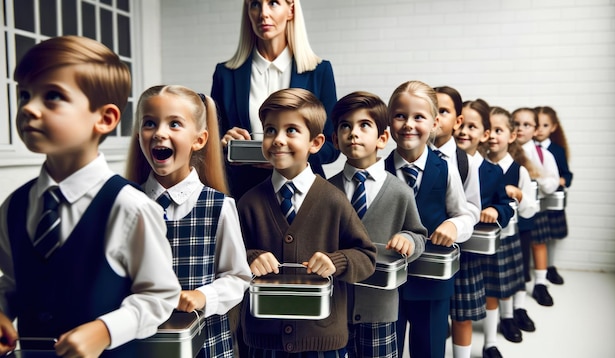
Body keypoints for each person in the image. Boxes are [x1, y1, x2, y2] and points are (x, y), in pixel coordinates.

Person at [0, 36, 181, 357]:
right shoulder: (13, 207)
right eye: (24, 94)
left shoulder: (131, 207)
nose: (28, 107)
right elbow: (14, 282)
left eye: (52, 96)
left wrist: (106, 329)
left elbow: (160, 296)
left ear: (105, 118)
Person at [237, 88, 376, 357]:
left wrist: (337, 261)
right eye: (270, 130)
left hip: (322, 341)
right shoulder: (248, 203)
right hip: (263, 342)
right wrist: (250, 257)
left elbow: (366, 256)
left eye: (291, 130)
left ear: (316, 142)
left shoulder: (334, 200)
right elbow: (227, 260)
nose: (278, 140)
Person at [125, 85, 252, 357]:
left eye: (174, 124)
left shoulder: (220, 207)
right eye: (150, 123)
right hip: (141, 345)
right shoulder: (124, 204)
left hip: (206, 345)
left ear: (199, 139)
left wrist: (204, 296)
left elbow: (238, 277)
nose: (159, 132)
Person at [327, 91, 428, 358]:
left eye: (364, 125)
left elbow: (419, 235)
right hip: (333, 307)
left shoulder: (399, 192)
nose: (353, 133)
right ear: (335, 139)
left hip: (380, 308)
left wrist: (409, 238)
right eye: (345, 126)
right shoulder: (325, 191)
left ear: (382, 138)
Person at [211, 0, 339, 200]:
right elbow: (210, 146)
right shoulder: (225, 75)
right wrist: (224, 145)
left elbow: (332, 146)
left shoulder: (320, 71)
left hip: (305, 196)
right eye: (255, 4)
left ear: (291, 9)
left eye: (273, 3)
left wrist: (290, 155)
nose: (263, 13)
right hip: (244, 194)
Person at [383, 80, 475, 358]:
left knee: (430, 350)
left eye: (418, 117)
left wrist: (454, 225)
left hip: (433, 281)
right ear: (389, 123)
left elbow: (466, 213)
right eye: (400, 116)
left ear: (434, 123)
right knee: (388, 350)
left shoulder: (445, 168)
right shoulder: (379, 170)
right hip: (389, 285)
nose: (409, 124)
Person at [452, 100, 514, 358]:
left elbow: (506, 204)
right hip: (451, 246)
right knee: (452, 308)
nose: (464, 131)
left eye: (472, 126)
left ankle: (490, 342)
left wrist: (497, 211)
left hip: (480, 248)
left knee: (485, 298)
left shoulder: (492, 171)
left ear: (485, 134)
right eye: (461, 124)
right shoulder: (444, 163)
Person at [483, 106, 539, 355]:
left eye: (499, 130)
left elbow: (531, 209)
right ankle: (490, 333)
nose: (493, 136)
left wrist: (518, 195)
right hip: (482, 238)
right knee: (489, 288)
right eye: (490, 130)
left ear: (511, 136)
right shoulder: (476, 166)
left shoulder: (520, 170)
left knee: (507, 283)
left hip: (508, 236)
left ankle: (507, 319)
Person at [513, 108, 560, 307]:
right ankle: (518, 286)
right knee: (518, 248)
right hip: (514, 210)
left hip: (535, 206)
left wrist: (537, 177)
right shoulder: (506, 150)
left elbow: (553, 181)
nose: (521, 129)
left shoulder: (542, 154)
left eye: (527, 125)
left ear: (535, 129)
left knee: (538, 243)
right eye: (516, 123)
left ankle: (540, 282)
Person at [534, 106, 573, 285]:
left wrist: (562, 180)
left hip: (552, 199)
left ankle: (550, 266)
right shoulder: (528, 148)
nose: (540, 129)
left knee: (551, 237)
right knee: (538, 236)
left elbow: (567, 173)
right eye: (537, 125)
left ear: (553, 127)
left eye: (545, 125)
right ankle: (537, 268)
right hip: (536, 200)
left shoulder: (557, 150)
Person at [432, 86, 482, 225]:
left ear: (458, 122)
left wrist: (455, 225)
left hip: (450, 240)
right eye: (430, 111)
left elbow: (472, 208)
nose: (435, 117)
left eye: (443, 111)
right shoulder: (413, 157)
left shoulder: (467, 163)